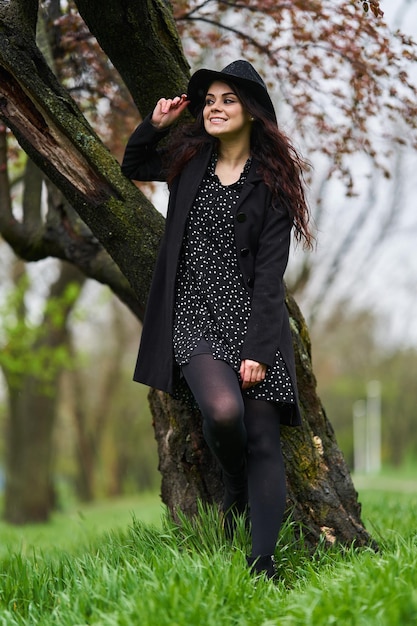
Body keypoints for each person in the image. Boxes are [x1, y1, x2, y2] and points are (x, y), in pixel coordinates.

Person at [122, 60, 313, 579]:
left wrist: (258, 348)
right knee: (225, 412)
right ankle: (233, 486)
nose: (214, 108)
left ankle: (263, 560)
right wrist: (155, 125)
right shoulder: (189, 160)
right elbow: (134, 164)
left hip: (251, 321)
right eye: (209, 100)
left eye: (227, 99)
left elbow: (271, 275)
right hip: (194, 316)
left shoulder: (272, 180)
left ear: (250, 111)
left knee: (262, 435)